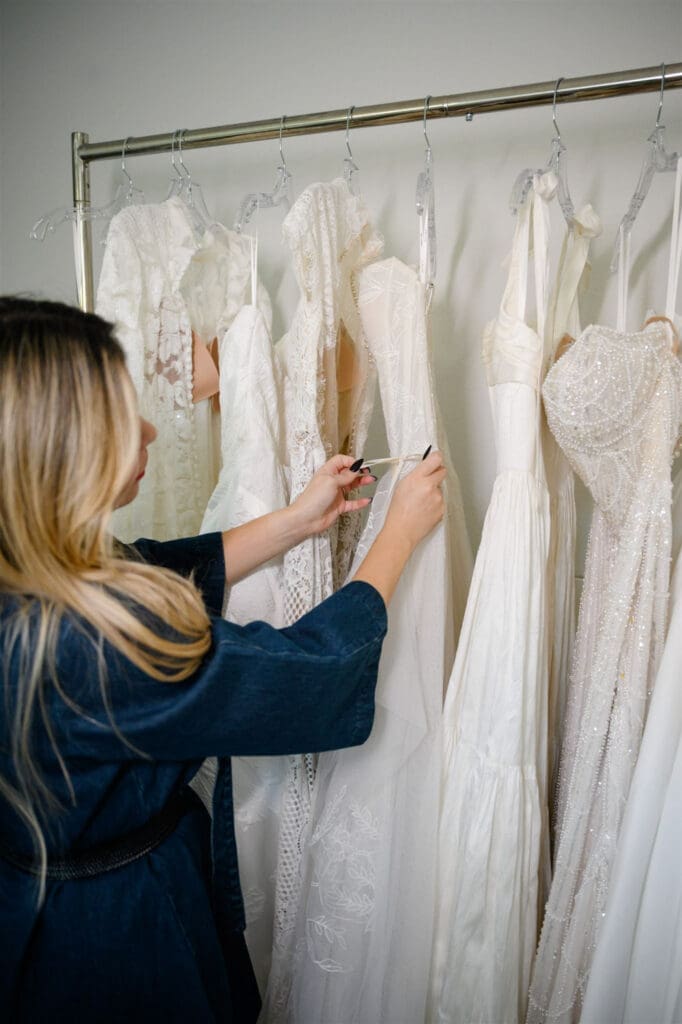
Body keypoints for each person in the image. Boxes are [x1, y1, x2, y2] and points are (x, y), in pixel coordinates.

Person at [0, 297, 446, 1023]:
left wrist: (299, 521)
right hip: (116, 935)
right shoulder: (95, 643)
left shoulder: (30, 579)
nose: (149, 429)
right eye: (122, 419)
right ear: (58, 455)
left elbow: (157, 567)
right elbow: (304, 679)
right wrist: (396, 536)